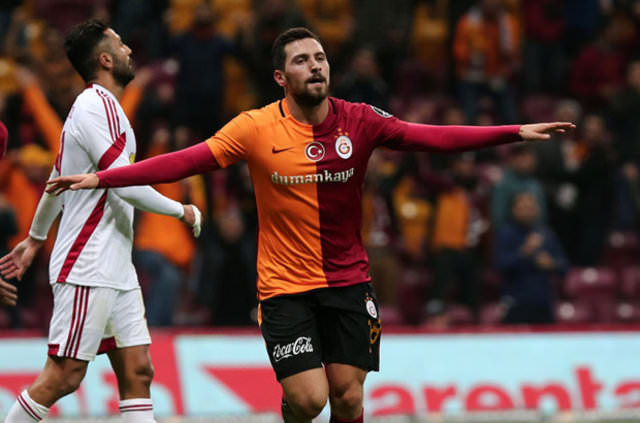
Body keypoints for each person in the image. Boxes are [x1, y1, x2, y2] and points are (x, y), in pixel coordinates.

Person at [45, 27, 573, 423]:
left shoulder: (360, 120)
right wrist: (104, 179)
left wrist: (512, 132)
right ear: (281, 77)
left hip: (349, 282)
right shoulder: (255, 128)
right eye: (302, 60)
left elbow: (431, 136)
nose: (315, 66)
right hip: (285, 288)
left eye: (320, 58)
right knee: (307, 400)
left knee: (347, 397)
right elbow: (185, 161)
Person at [0, 20, 201, 423]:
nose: (130, 50)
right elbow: (124, 183)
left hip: (116, 265)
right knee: (64, 375)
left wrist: (36, 238)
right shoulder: (94, 108)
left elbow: (57, 180)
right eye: (121, 44)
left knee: (138, 371)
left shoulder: (106, 111)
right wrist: (181, 210)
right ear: (105, 59)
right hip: (87, 262)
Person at [495, 191, 568, 324]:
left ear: (537, 210)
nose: (527, 212)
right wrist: (524, 252)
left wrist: (551, 264)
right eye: (522, 208)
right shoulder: (505, 234)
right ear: (513, 210)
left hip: (543, 303)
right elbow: (500, 265)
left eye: (530, 208)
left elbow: (564, 266)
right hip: (515, 303)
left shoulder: (546, 234)